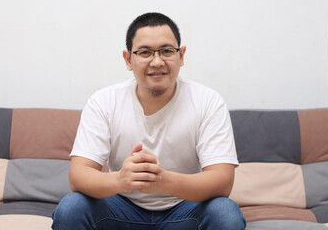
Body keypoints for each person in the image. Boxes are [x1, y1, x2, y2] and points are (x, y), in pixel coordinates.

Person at [52, 12, 246, 230]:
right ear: (128, 59)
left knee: (225, 213)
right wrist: (119, 181)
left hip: (184, 210)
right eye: (145, 52)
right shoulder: (103, 102)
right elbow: (79, 175)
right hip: (121, 208)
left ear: (181, 56)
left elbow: (222, 180)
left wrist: (164, 181)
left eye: (166, 51)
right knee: (72, 207)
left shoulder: (208, 101)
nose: (157, 61)